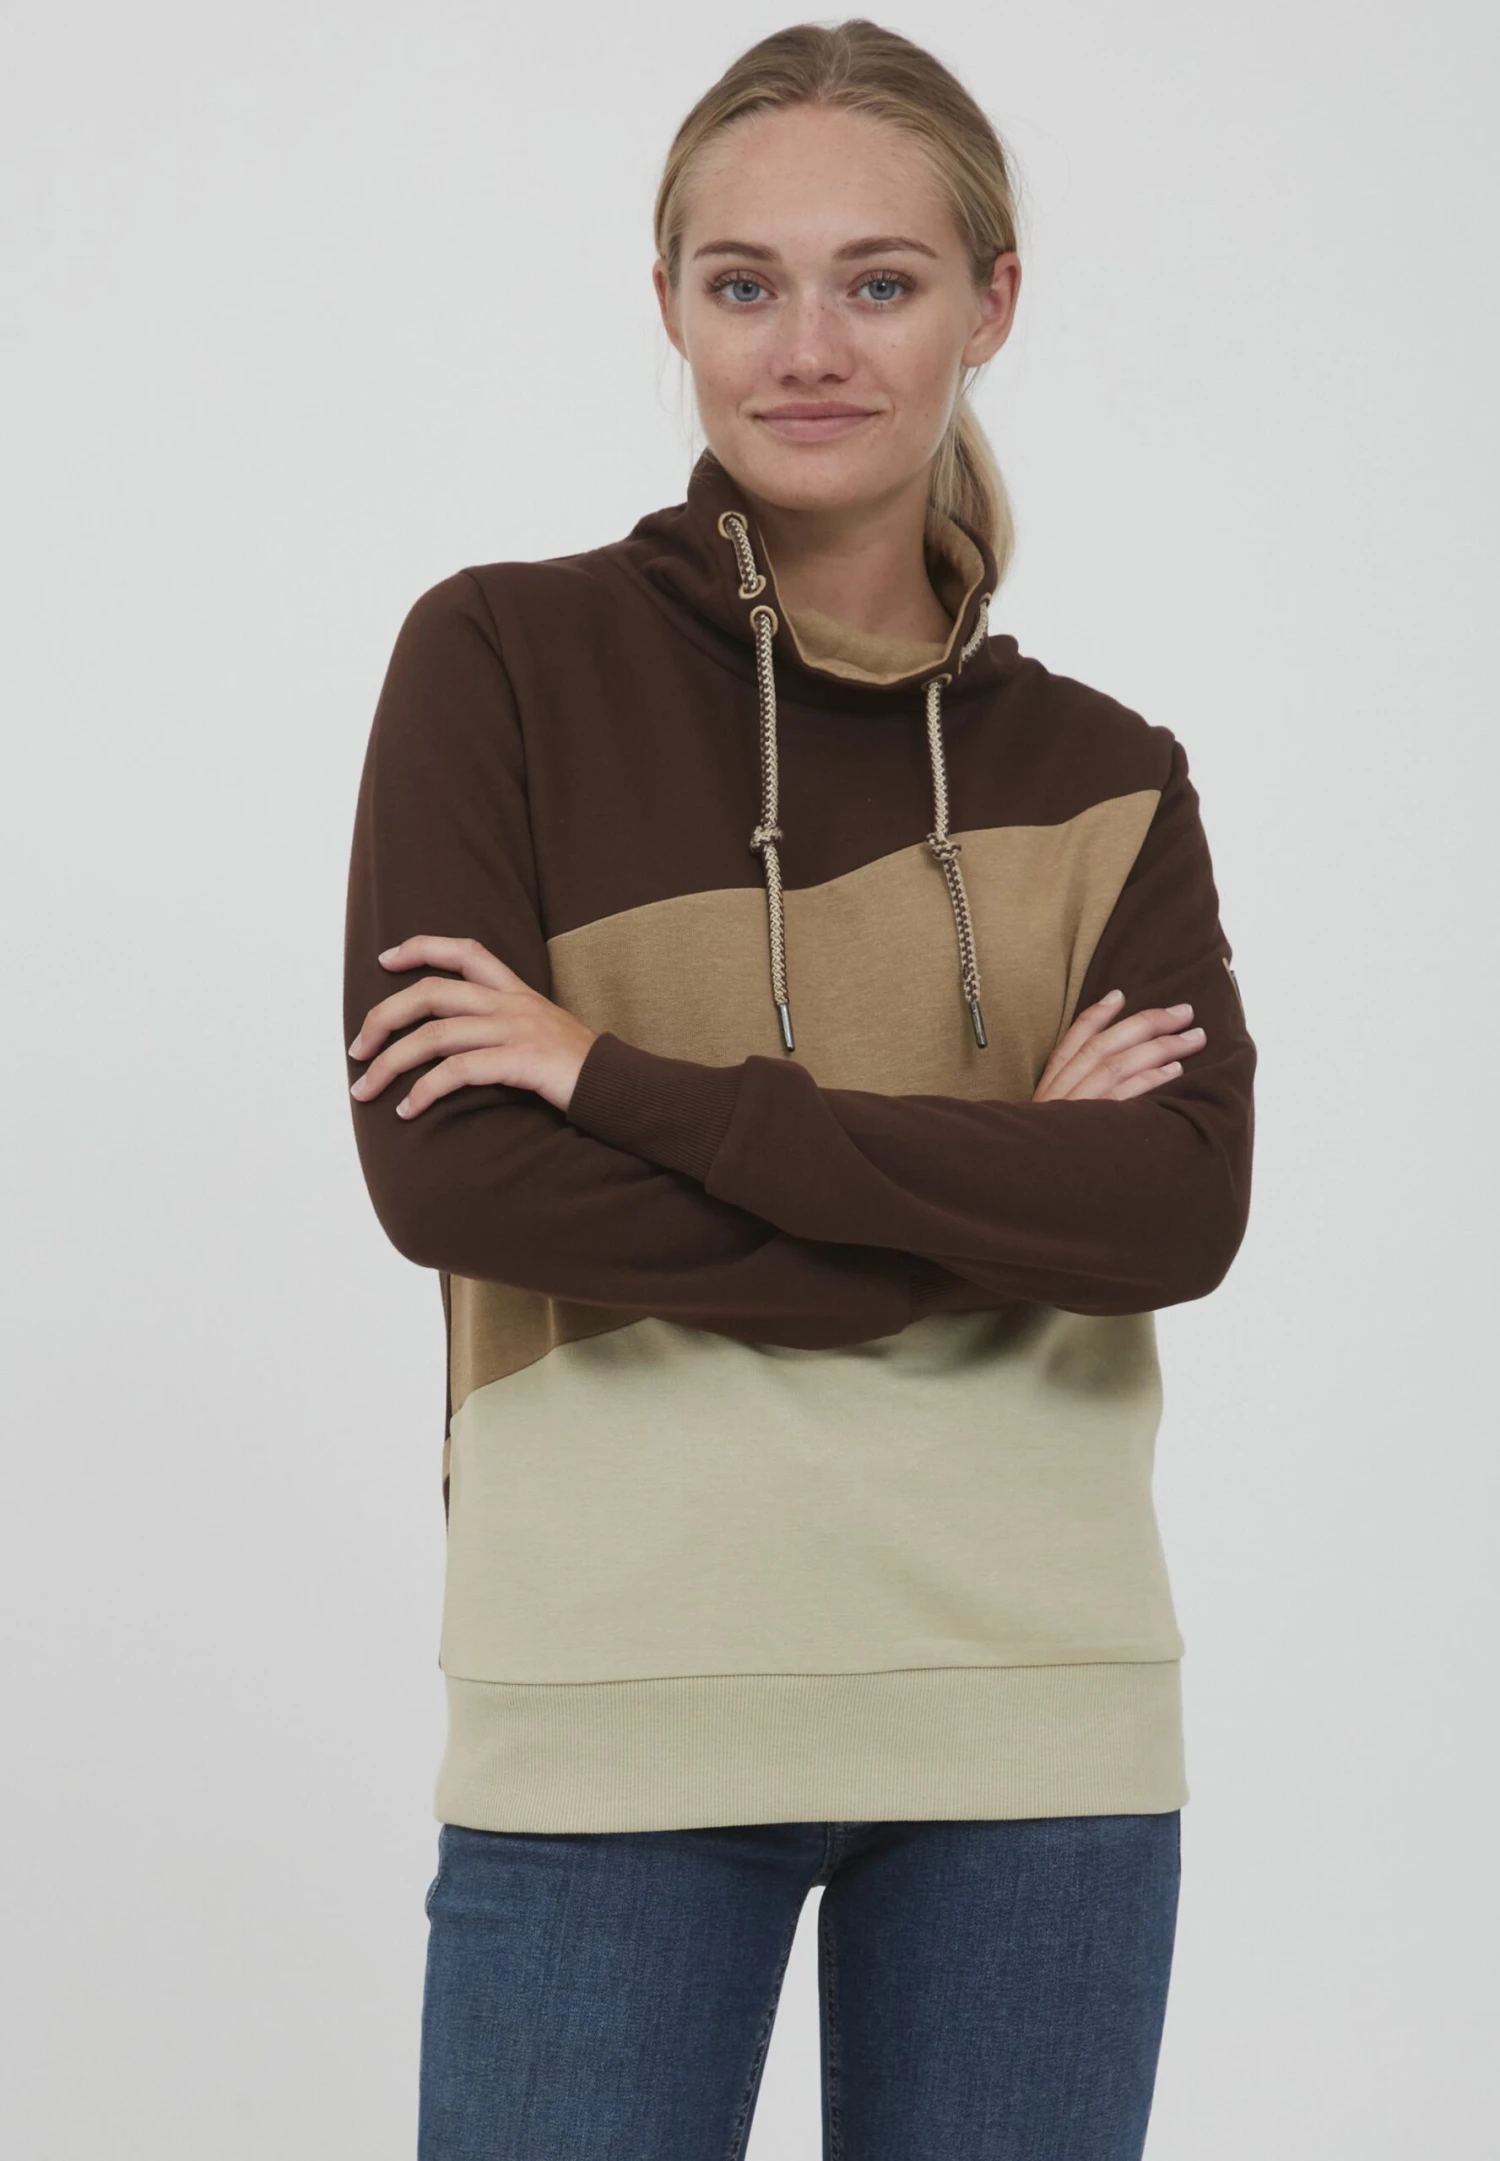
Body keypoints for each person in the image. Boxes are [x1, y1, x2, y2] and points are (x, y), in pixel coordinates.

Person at [343, 19, 1255, 2158]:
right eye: (744, 281)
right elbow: (459, 1185)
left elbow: (1173, 1215)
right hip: (615, 1696)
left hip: (1037, 1712)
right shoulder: (501, 664)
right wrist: (1002, 1194)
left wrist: (614, 1079)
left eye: (882, 279)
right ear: (668, 300)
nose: (808, 347)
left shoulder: (1106, 775)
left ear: (990, 304)